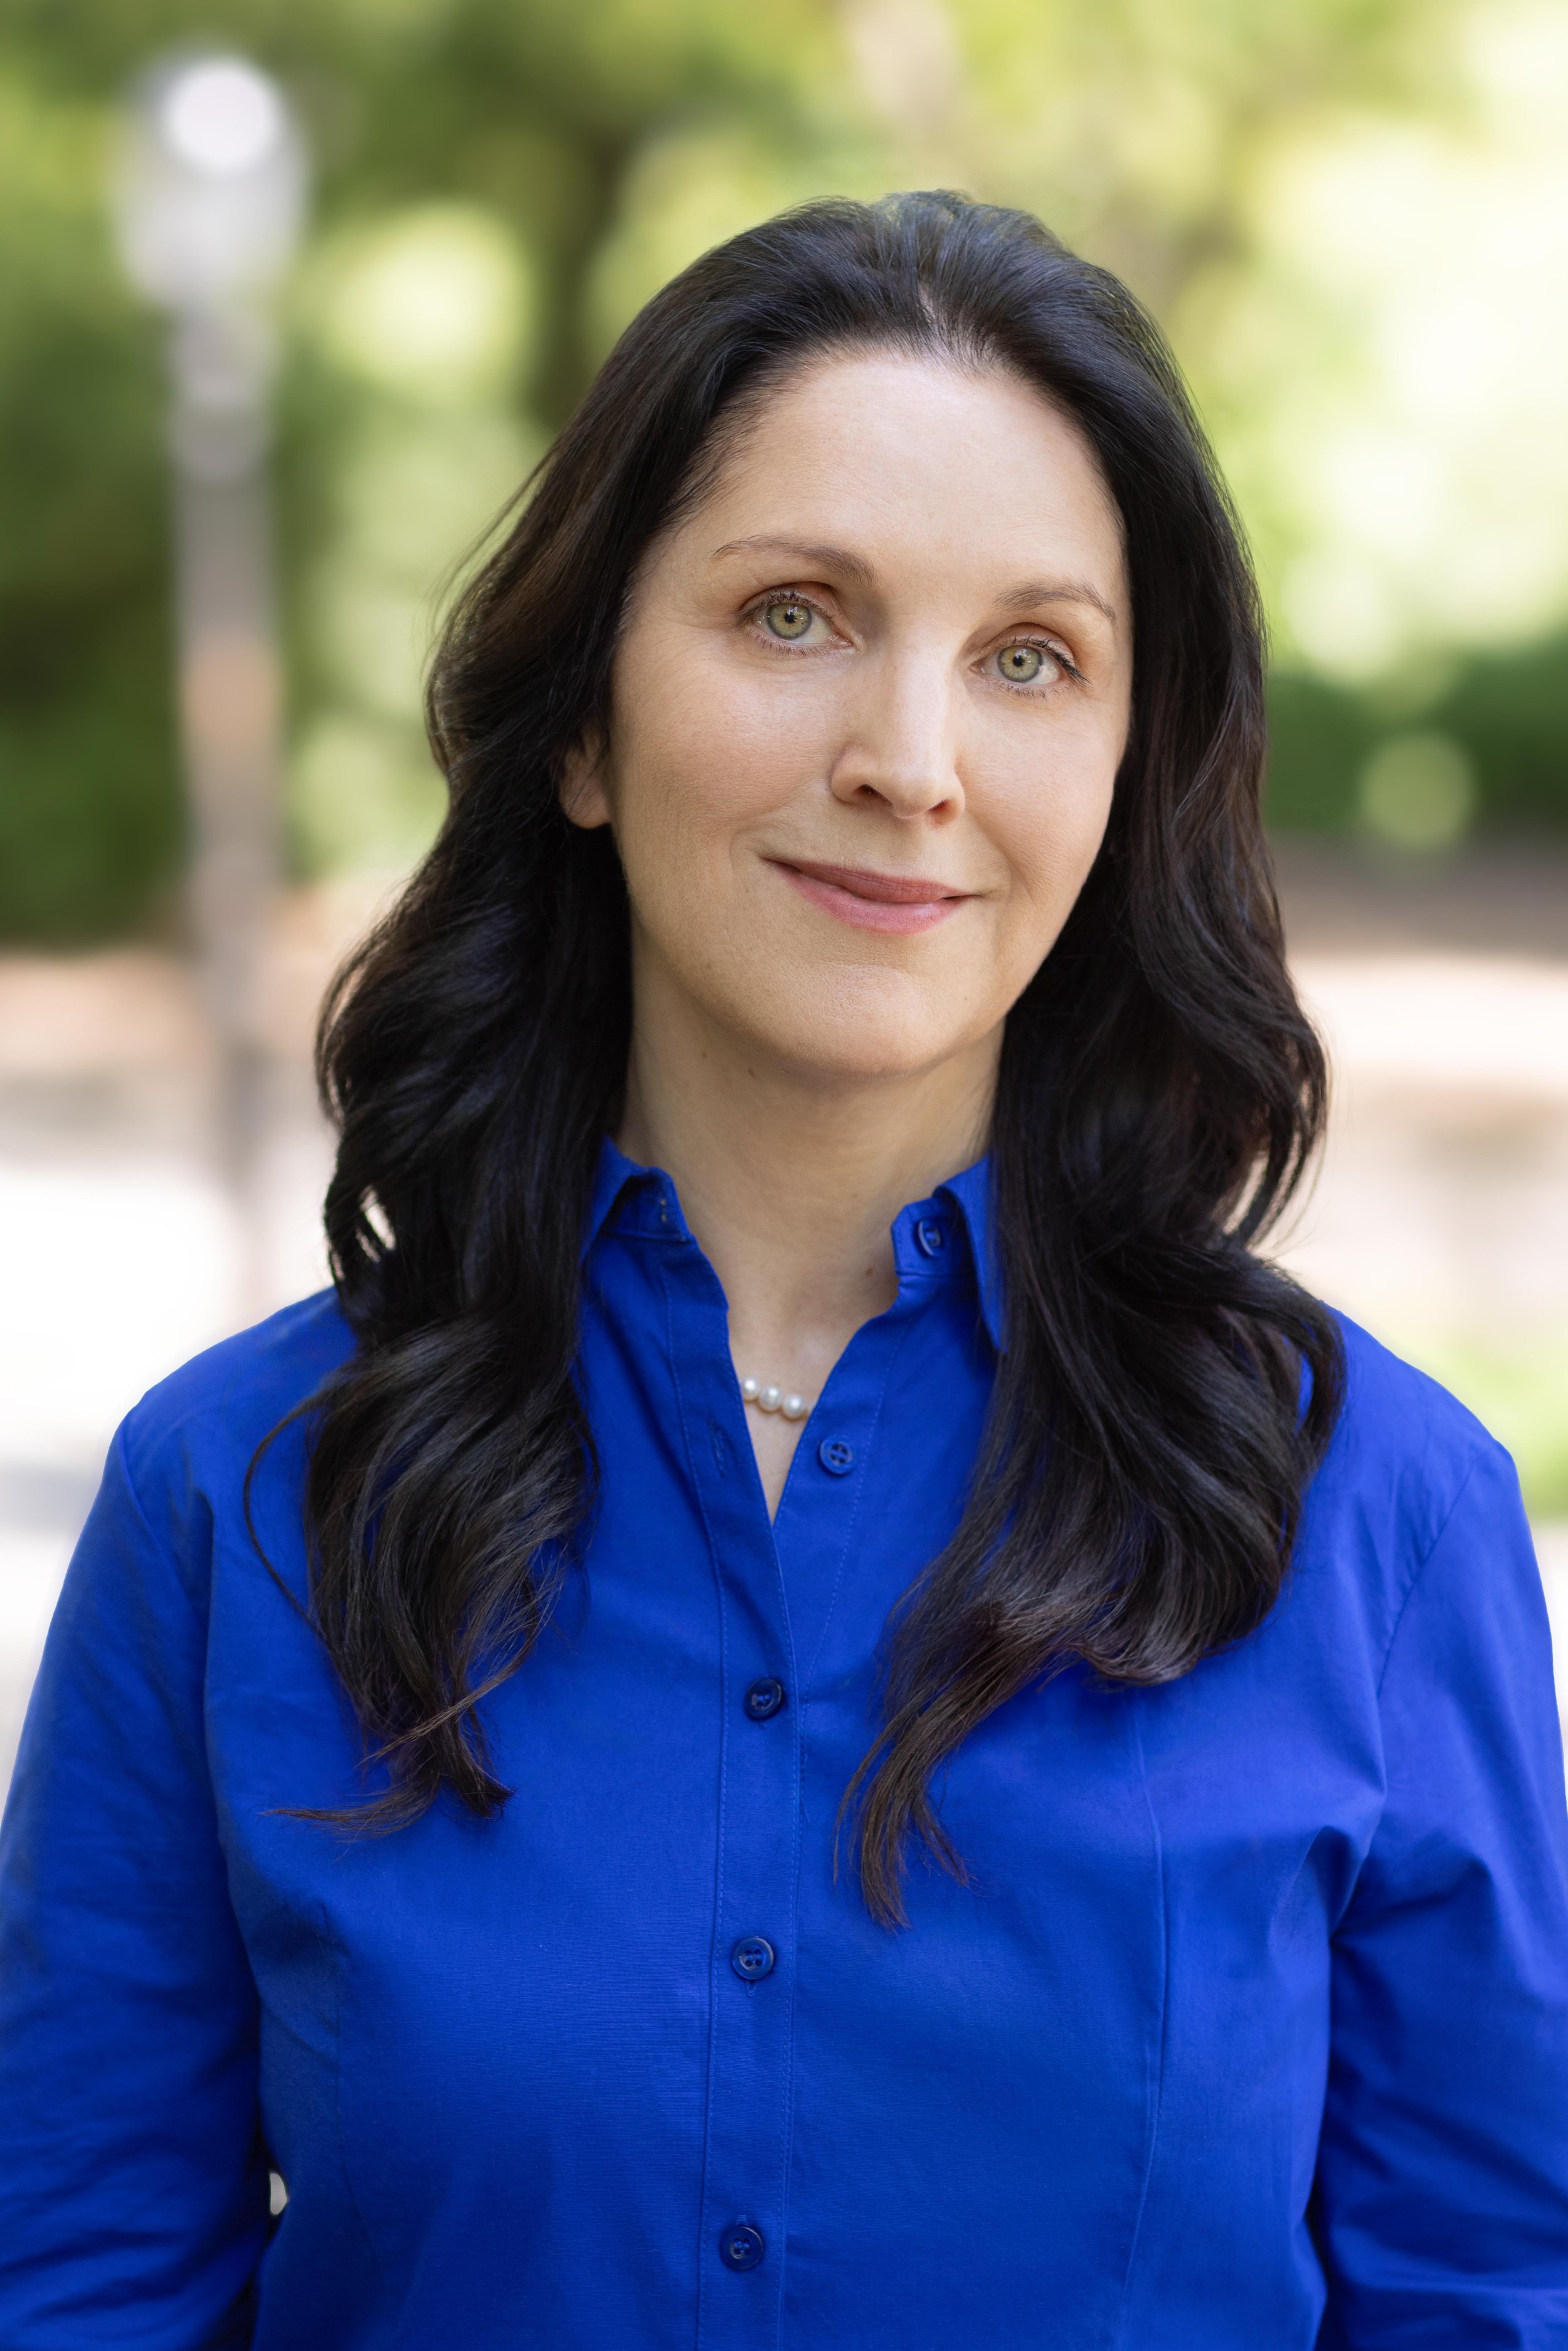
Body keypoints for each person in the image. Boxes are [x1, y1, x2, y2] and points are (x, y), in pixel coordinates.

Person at [1, 191, 1565, 2350]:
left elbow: (1489, 2297)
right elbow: (78, 2285)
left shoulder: (1377, 1514)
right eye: (794, 614)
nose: (909, 762)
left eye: (1030, 658)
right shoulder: (237, 1500)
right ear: (579, 727)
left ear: (1121, 765)